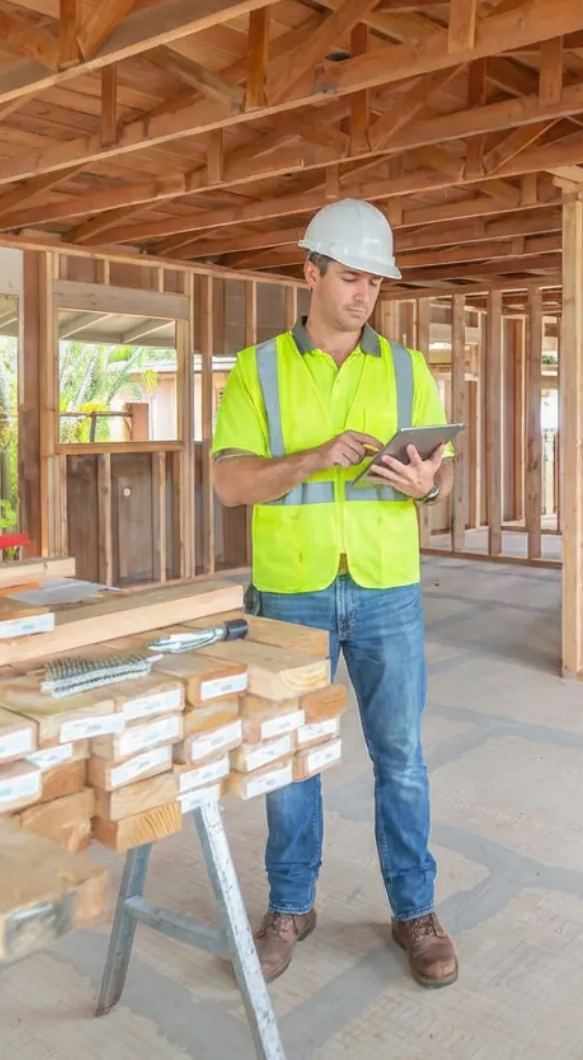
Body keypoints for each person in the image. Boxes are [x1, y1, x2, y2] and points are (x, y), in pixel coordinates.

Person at [211, 198, 458, 989]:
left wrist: (426, 488)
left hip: (387, 587)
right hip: (291, 592)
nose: (363, 294)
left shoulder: (408, 370)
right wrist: (310, 458)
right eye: (350, 276)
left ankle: (414, 910)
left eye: (375, 281)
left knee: (403, 760)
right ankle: (291, 906)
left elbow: (436, 485)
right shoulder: (259, 370)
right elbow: (228, 481)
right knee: (292, 760)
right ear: (309, 270)